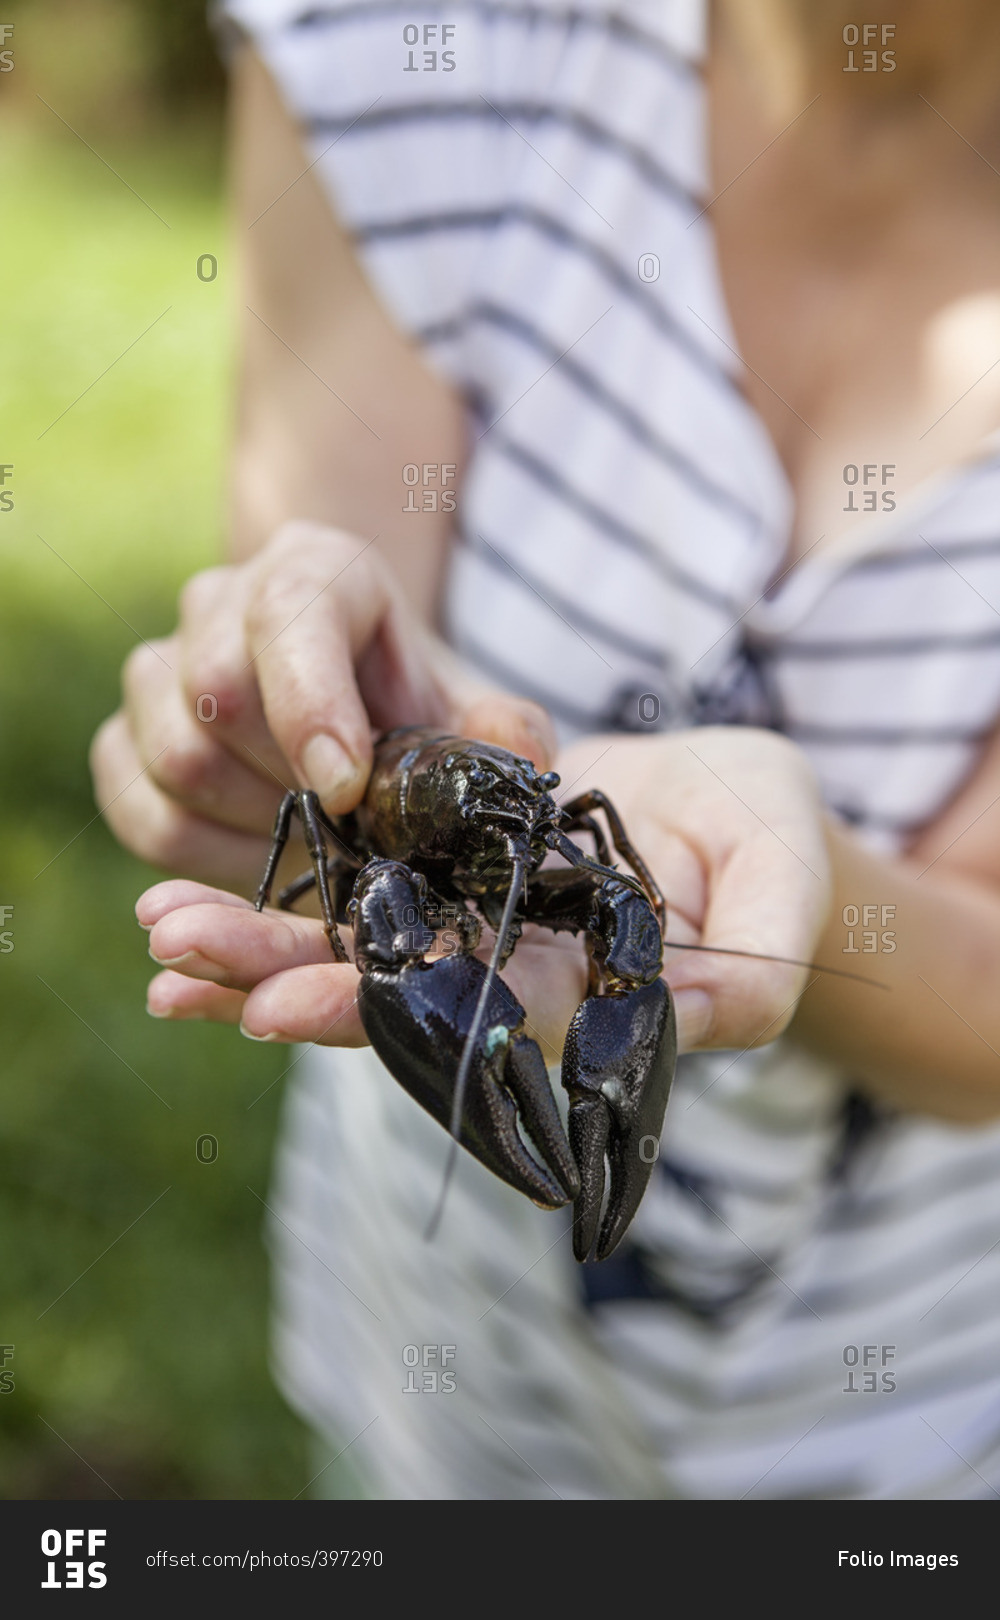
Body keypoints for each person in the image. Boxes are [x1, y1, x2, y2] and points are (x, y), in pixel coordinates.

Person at [92, 0, 1000, 1498]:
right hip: (441, 1395)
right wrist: (271, 684)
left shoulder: (540, 830)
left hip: (919, 1434)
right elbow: (316, 646)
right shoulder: (394, 42)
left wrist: (804, 878)